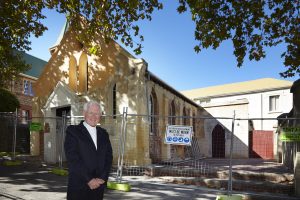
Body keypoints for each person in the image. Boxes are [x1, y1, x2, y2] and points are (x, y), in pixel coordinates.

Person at [64, 101, 113, 200]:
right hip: (79, 187)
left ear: (100, 116)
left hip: (98, 187)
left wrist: (102, 178)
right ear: (84, 113)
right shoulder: (73, 131)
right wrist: (89, 180)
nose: (94, 116)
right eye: (91, 113)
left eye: (97, 113)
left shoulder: (104, 134)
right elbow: (73, 159)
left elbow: (109, 157)